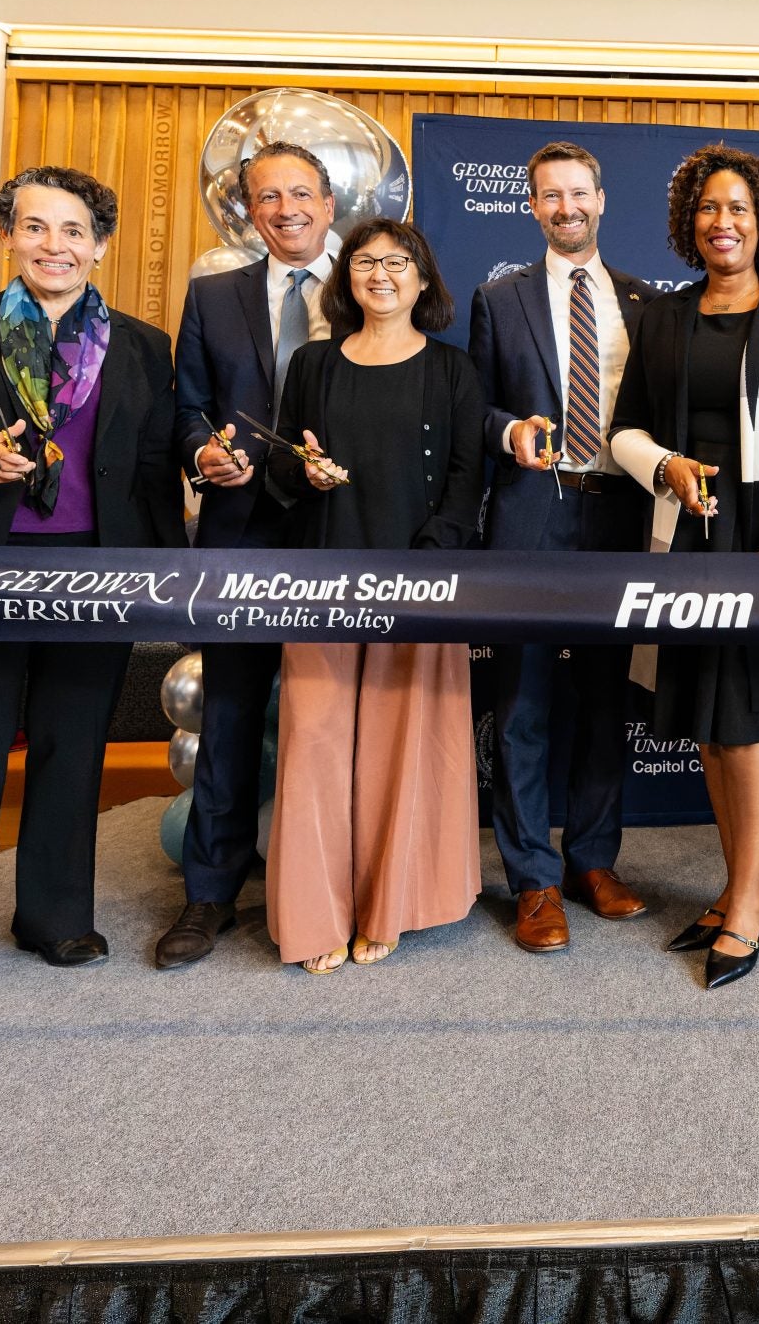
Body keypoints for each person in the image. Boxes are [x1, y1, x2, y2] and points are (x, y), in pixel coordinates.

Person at [0, 166, 183, 999]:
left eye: (74, 230)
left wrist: (164, 573)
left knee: (72, 741)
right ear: (10, 234)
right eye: (37, 226)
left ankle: (55, 916)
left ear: (101, 245)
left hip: (96, 567)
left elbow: (154, 466)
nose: (56, 244)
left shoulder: (144, 343)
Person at [609, 144, 759, 991]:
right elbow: (623, 430)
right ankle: (745, 879)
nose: (723, 221)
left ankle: (746, 898)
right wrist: (664, 465)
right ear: (689, 223)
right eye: (709, 208)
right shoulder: (664, 318)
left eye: (739, 208)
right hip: (689, 532)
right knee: (710, 719)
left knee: (746, 713)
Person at [263, 217, 485, 974]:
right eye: (364, 262)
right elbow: (282, 468)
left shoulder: (453, 369)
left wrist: (424, 568)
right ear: (345, 277)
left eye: (397, 262)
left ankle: (389, 905)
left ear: (423, 279)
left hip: (420, 582)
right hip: (321, 579)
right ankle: (317, 911)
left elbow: (465, 482)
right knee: (315, 745)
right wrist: (305, 471)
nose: (380, 273)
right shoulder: (313, 365)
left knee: (403, 748)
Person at [153, 141, 338, 971]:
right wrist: (203, 456)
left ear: (331, 205)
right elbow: (187, 405)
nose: (287, 208)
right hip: (240, 535)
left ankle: (334, 884)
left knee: (337, 718)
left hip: (342, 533)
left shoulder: (375, 279)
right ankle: (210, 893)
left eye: (303, 193)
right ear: (249, 210)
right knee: (229, 717)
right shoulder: (212, 295)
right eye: (270, 196)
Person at [468, 142, 656, 953]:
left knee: (605, 701)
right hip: (531, 517)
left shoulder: (645, 302)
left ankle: (592, 858)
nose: (566, 207)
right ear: (534, 207)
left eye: (579, 193)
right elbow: (472, 407)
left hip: (618, 517)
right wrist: (507, 430)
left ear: (602, 200)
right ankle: (533, 878)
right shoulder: (497, 299)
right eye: (551, 196)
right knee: (524, 705)